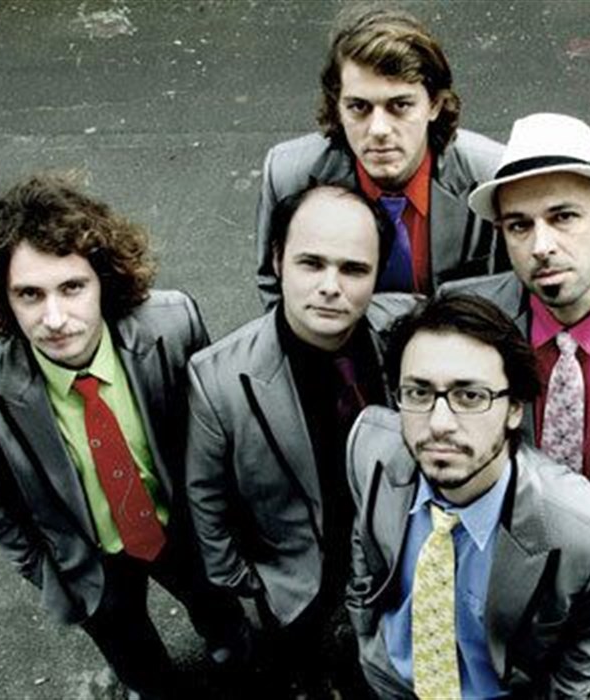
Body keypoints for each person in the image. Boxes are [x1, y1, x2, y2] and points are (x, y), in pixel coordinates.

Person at [0, 174, 245, 700]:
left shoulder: (172, 326)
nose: (54, 318)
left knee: (224, 621)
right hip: (90, 557)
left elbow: (214, 433)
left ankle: (232, 657)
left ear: (104, 279)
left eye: (72, 287)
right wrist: (45, 569)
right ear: (4, 298)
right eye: (30, 294)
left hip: (180, 526)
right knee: (139, 664)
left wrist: (220, 520)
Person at [186, 184, 417, 698]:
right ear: (277, 259)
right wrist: (246, 585)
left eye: (353, 269)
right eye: (311, 263)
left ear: (378, 272)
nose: (331, 287)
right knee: (307, 669)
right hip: (298, 584)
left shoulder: (408, 330)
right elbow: (206, 499)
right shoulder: (218, 378)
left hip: (397, 563)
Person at [442, 112, 590, 629]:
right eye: (519, 225)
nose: (540, 246)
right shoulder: (465, 318)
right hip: (492, 569)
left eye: (563, 216)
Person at [346, 294, 590, 699]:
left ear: (514, 408)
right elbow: (364, 546)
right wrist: (365, 635)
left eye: (470, 396)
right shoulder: (369, 447)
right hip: (390, 676)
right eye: (418, 393)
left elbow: (587, 645)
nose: (439, 423)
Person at [255, 6, 506, 308]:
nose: (379, 130)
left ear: (435, 105)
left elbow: (513, 292)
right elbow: (274, 286)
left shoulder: (490, 174)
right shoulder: (289, 175)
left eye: (400, 106)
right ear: (337, 107)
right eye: (359, 107)